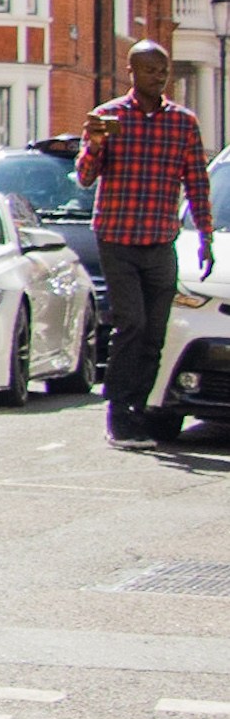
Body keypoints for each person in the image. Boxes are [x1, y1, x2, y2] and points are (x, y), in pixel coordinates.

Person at [77, 38, 214, 449]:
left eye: (164, 70)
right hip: (117, 237)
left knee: (154, 333)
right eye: (152, 69)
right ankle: (117, 413)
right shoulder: (109, 116)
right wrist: (96, 142)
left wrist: (205, 235)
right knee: (130, 324)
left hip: (160, 240)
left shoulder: (183, 123)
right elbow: (85, 176)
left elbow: (197, 183)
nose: (160, 76)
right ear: (132, 70)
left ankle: (136, 409)